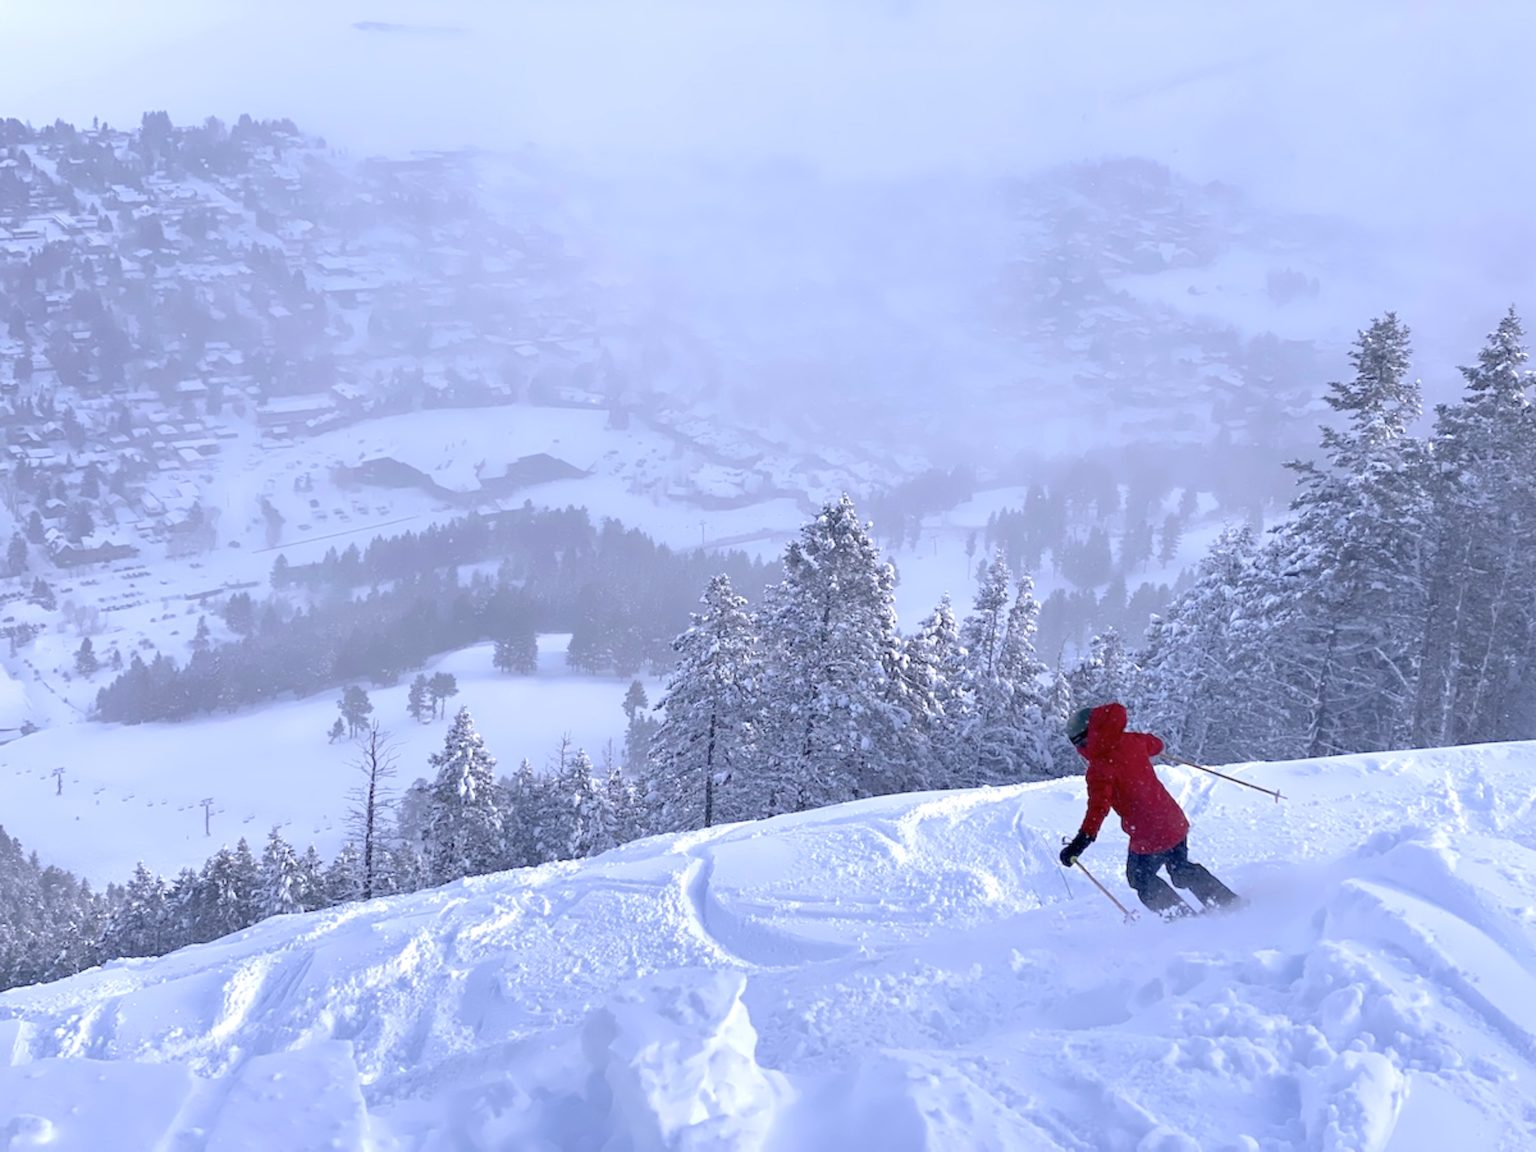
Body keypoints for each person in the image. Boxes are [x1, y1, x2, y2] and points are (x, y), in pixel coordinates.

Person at [1058, 701, 1239, 917]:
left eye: (1079, 745)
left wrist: (1079, 843)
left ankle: (1182, 919)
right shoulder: (1131, 740)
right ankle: (1227, 903)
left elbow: (1097, 809)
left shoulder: (1099, 769)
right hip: (1173, 821)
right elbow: (1156, 744)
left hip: (1148, 833)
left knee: (1140, 878)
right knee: (1180, 870)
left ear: (1086, 739)